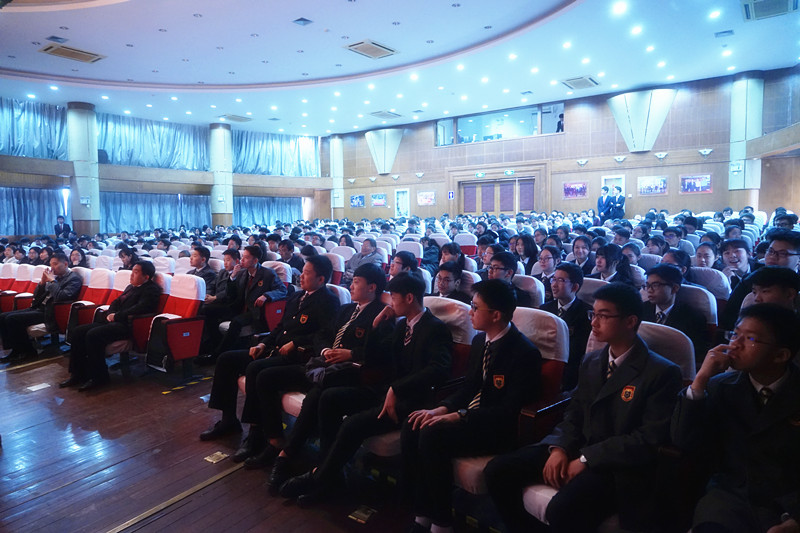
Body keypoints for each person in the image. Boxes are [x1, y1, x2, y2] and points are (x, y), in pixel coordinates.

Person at [485, 283, 682, 533]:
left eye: (603, 316)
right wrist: (559, 447)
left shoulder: (661, 372)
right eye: (593, 314)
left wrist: (587, 458)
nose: (593, 322)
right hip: (578, 446)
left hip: (615, 465)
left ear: (630, 321)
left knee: (562, 509)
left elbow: (647, 439)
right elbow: (575, 411)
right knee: (498, 471)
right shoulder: (592, 360)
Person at [278, 272, 452, 505]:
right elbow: (375, 357)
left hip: (410, 401)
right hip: (385, 391)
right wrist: (376, 325)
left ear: (409, 298)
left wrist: (398, 388)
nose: (390, 303)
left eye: (394, 297)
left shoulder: (435, 328)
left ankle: (320, 478)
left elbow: (438, 369)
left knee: (353, 423)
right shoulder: (402, 326)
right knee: (329, 398)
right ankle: (330, 473)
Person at [402, 279, 542, 532]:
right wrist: (441, 409)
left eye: (476, 307)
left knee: (432, 435)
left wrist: (459, 416)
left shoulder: (524, 353)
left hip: (497, 429)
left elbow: (509, 411)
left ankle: (441, 521)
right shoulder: (480, 342)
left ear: (496, 315)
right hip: (472, 419)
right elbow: (469, 388)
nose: (470, 312)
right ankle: (422, 511)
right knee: (415, 424)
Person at [671, 303, 800, 533]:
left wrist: (796, 519)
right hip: (730, 499)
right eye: (735, 334)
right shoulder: (720, 386)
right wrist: (700, 381)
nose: (735, 345)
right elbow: (684, 441)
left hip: (788, 503)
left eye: (750, 339)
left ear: (781, 355)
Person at [263, 264, 387, 486]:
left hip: (349, 374)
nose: (351, 286)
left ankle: (289, 456)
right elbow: (322, 334)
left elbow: (381, 351)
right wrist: (325, 350)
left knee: (318, 394)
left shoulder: (380, 314)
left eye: (356, 282)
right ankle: (271, 440)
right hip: (322, 365)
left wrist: (351, 354)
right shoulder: (347, 309)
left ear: (372, 287)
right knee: (267, 376)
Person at [199, 255, 340, 443]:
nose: (301, 276)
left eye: (306, 273)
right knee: (226, 359)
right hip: (274, 348)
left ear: (321, 279)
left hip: (297, 355)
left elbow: (324, 334)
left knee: (255, 368)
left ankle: (256, 432)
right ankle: (228, 420)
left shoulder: (329, 301)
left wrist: (296, 342)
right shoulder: (297, 296)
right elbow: (280, 326)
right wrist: (263, 344)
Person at [59, 261, 162, 391]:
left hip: (129, 326)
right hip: (116, 321)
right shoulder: (131, 287)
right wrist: (111, 313)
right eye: (132, 271)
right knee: (78, 331)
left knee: (93, 335)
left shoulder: (151, 289)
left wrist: (117, 316)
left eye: (136, 272)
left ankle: (99, 377)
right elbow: (115, 302)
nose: (131, 275)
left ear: (146, 277)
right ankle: (77, 374)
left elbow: (140, 308)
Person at [196, 245, 287, 365]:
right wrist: (232, 277)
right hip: (238, 306)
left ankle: (217, 355)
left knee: (236, 321)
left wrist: (267, 295)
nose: (242, 260)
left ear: (255, 260)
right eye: (243, 256)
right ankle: (213, 346)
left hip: (254, 311)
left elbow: (283, 290)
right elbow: (231, 295)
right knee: (207, 310)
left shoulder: (267, 274)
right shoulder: (242, 273)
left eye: (246, 257)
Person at [0, 253, 83, 363]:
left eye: (55, 264)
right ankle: (15, 350)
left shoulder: (74, 279)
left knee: (12, 319)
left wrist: (52, 281)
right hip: (39, 307)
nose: (52, 267)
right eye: (51, 264)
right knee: (3, 316)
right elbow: (36, 296)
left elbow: (61, 296)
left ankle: (28, 352)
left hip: (51, 312)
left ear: (65, 264)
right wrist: (42, 283)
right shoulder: (55, 277)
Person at [721, 229, 800, 331]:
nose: (772, 257)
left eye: (782, 253)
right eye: (770, 251)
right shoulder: (750, 280)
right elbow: (728, 320)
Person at [642, 264, 710, 368]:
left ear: (674, 288)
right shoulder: (641, 310)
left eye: (655, 285)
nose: (649, 290)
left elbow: (697, 356)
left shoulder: (694, 318)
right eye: (647, 285)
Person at [539, 262, 592, 391]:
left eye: (560, 280)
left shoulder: (586, 314)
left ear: (575, 287)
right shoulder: (544, 309)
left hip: (569, 371)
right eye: (553, 279)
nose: (554, 285)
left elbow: (579, 352)